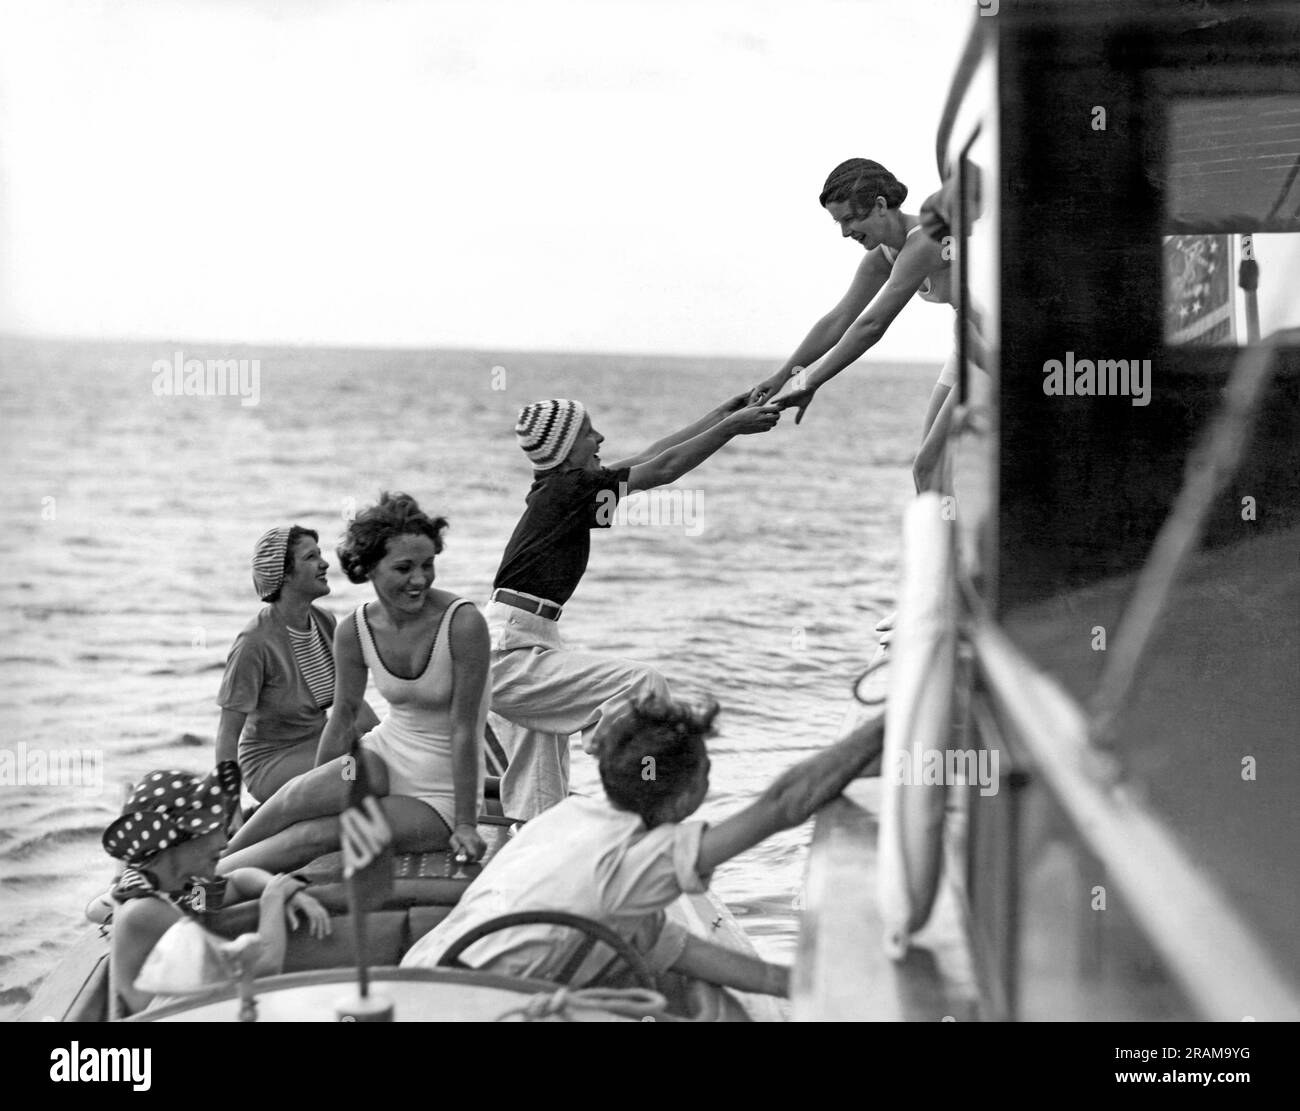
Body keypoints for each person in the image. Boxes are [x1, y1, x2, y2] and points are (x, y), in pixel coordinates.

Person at [402, 695, 885, 1006]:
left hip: (417, 983)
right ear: (688, 797)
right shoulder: (638, 861)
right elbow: (783, 804)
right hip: (466, 1005)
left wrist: (792, 985)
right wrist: (892, 716)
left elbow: (677, 947)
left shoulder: (569, 817)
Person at [486, 394, 780, 820]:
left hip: (522, 639)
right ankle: (637, 790)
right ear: (567, 448)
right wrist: (732, 428)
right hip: (510, 648)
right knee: (642, 684)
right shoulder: (570, 489)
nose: (600, 437)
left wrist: (721, 413)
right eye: (589, 431)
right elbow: (662, 469)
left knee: (541, 768)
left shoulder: (564, 487)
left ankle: (533, 839)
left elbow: (651, 455)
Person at [219, 493, 491, 872]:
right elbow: (343, 715)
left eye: (428, 565)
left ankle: (204, 883)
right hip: (379, 757)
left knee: (316, 835)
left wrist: (465, 824)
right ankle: (203, 869)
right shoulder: (355, 628)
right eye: (404, 568)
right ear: (369, 568)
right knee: (297, 797)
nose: (419, 579)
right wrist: (321, 786)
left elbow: (464, 728)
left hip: (437, 792)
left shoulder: (462, 624)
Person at [749, 158, 958, 492]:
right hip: (968, 343)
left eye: (848, 219)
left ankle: (955, 543)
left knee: (930, 469)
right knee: (929, 475)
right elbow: (839, 320)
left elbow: (871, 325)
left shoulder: (927, 239)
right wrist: (783, 376)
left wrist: (811, 381)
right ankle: (947, 540)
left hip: (1003, 340)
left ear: (879, 206)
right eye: (839, 223)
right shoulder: (884, 255)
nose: (846, 232)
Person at [101, 762, 331, 1017]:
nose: (224, 842)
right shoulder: (147, 911)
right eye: (212, 828)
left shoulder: (175, 890)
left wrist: (275, 886)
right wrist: (274, 899)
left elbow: (235, 882)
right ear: (178, 840)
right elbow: (263, 967)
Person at [215, 525, 380, 803]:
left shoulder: (324, 621)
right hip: (272, 762)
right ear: (284, 574)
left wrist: (387, 740)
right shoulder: (254, 642)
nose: (324, 563)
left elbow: (351, 705)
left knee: (383, 758)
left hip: (320, 744)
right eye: (311, 557)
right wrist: (228, 809)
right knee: (360, 771)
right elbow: (227, 736)